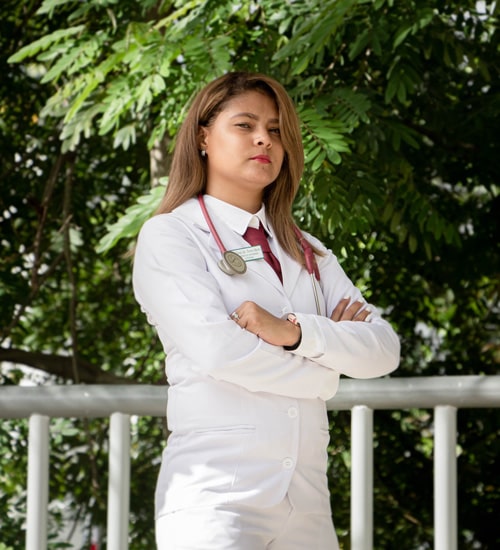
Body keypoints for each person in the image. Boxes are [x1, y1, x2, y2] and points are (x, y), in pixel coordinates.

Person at [132, 71, 400, 550]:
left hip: (307, 504)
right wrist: (327, 373)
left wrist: (294, 334)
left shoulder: (306, 250)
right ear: (203, 137)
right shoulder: (171, 236)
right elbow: (219, 352)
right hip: (215, 499)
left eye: (276, 130)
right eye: (245, 125)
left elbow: (382, 350)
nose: (264, 139)